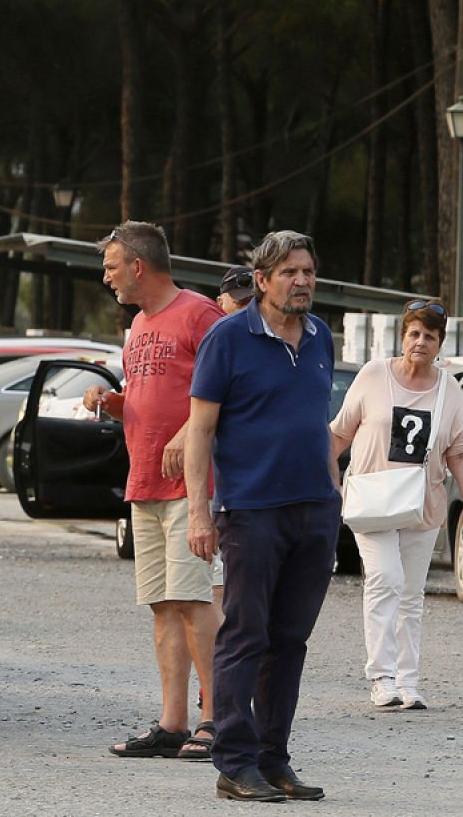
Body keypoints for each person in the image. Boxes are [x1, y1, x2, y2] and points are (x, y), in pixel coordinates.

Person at [185, 230, 338, 803]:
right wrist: (200, 514)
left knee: (290, 640)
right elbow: (200, 431)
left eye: (308, 271)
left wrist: (334, 487)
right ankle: (234, 762)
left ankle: (274, 759)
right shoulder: (227, 338)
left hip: (314, 510)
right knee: (245, 637)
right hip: (250, 512)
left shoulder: (320, 334)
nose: (302, 281)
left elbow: (316, 419)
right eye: (290, 272)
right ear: (262, 281)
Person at [83, 222, 224, 761]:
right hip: (144, 482)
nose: (107, 277)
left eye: (112, 266)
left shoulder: (198, 314)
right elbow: (154, 396)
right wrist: (113, 401)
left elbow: (228, 391)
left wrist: (189, 433)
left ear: (139, 266)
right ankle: (173, 723)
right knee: (163, 605)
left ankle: (218, 719)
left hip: (189, 487)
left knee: (194, 601)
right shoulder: (139, 324)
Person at [330, 300, 463, 711]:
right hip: (373, 498)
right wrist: (329, 482)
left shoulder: (450, 388)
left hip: (423, 502)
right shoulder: (373, 375)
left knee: (411, 592)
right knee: (384, 579)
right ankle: (381, 678)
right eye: (414, 334)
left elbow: (456, 453)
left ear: (440, 345)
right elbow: (338, 434)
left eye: (430, 336)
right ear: (403, 337)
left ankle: (408, 681)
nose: (420, 342)